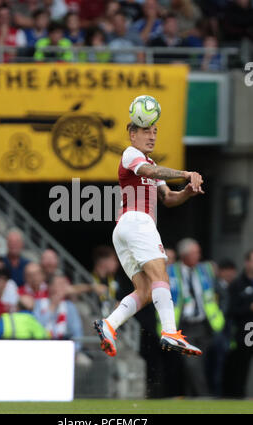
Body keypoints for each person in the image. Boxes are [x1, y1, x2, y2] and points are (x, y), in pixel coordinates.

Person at [94, 115, 205, 359]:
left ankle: (109, 325)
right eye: (146, 130)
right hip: (137, 221)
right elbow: (149, 170)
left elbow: (169, 198)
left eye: (155, 131)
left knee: (144, 291)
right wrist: (185, 173)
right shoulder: (131, 154)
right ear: (132, 134)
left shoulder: (151, 164)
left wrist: (186, 191)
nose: (152, 135)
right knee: (160, 274)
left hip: (125, 229)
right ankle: (169, 331)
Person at [167, 238, 225, 396]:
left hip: (205, 325)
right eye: (195, 253)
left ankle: (191, 398)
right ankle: (204, 397)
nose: (198, 256)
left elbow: (221, 293)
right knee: (191, 363)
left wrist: (221, 313)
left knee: (199, 365)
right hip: (185, 325)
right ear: (185, 255)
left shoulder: (206, 270)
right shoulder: (171, 271)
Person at [224, 250, 253, 398]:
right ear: (247, 262)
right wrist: (248, 308)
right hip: (245, 332)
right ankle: (238, 397)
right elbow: (230, 310)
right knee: (241, 366)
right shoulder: (237, 284)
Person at [34, 275, 83, 351]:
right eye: (60, 284)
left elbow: (77, 331)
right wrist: (52, 306)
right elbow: (37, 326)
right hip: (42, 347)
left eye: (65, 284)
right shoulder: (39, 304)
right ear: (50, 287)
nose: (64, 287)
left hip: (66, 348)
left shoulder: (69, 306)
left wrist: (75, 350)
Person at [91, 245, 119, 317]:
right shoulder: (88, 278)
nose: (116, 264)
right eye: (114, 260)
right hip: (94, 316)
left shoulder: (111, 280)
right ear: (103, 261)